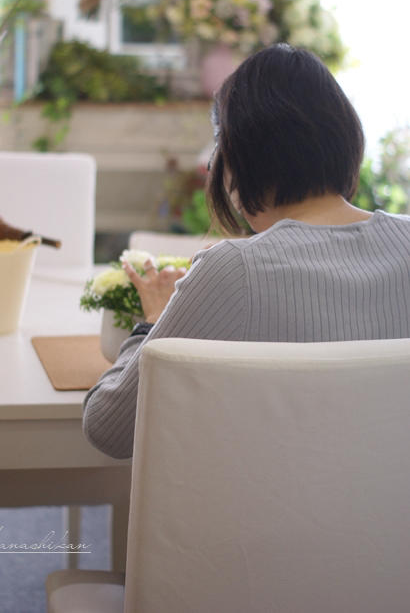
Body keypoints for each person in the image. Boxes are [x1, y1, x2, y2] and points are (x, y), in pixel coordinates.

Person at [83, 44, 410, 459]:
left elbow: (108, 428)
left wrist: (152, 324)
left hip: (264, 521)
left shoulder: (235, 271)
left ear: (239, 157)